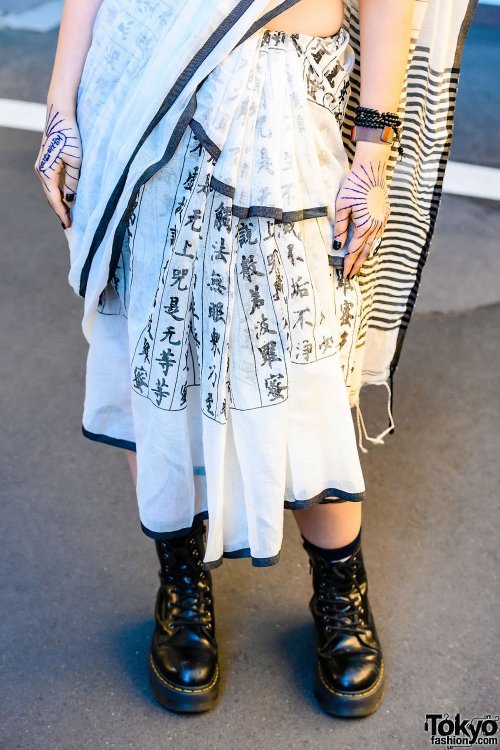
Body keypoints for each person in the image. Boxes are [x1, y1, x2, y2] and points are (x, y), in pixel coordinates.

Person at [34, 0, 476, 719]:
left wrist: (373, 148)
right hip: (144, 91)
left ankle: (341, 585)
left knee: (305, 366)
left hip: (288, 98)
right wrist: (62, 106)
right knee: (158, 351)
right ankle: (182, 583)